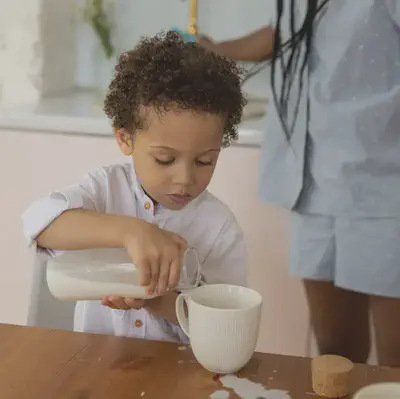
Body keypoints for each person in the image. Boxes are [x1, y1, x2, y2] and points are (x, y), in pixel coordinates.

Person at [198, 0, 400, 367]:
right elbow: (287, 31)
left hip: (385, 188)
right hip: (311, 182)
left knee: (394, 364)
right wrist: (218, 51)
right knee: (336, 352)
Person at [21, 32, 247, 343]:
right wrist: (133, 232)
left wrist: (159, 301)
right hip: (95, 367)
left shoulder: (219, 228)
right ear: (125, 139)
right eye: (165, 159)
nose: (184, 178)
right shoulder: (104, 189)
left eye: (205, 161)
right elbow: (37, 221)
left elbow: (226, 329)